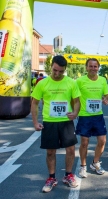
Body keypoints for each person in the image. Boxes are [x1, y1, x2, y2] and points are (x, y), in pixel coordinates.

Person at [31, 55, 80, 193]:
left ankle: (68, 175)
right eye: (55, 70)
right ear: (51, 67)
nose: (57, 74)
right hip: (50, 122)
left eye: (61, 71)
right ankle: (51, 178)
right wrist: (35, 122)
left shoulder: (71, 82)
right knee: (51, 151)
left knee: (70, 149)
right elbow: (34, 103)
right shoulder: (42, 83)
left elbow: (77, 101)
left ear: (65, 70)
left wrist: (75, 113)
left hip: (66, 122)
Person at [76, 58, 108, 178]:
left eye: (95, 66)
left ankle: (95, 163)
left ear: (98, 68)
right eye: (90, 66)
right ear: (86, 67)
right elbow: (74, 96)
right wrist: (75, 110)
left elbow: (107, 94)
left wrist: (106, 99)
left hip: (98, 115)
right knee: (84, 143)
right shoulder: (80, 81)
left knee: (102, 141)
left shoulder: (102, 80)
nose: (93, 68)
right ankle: (83, 166)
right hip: (85, 116)